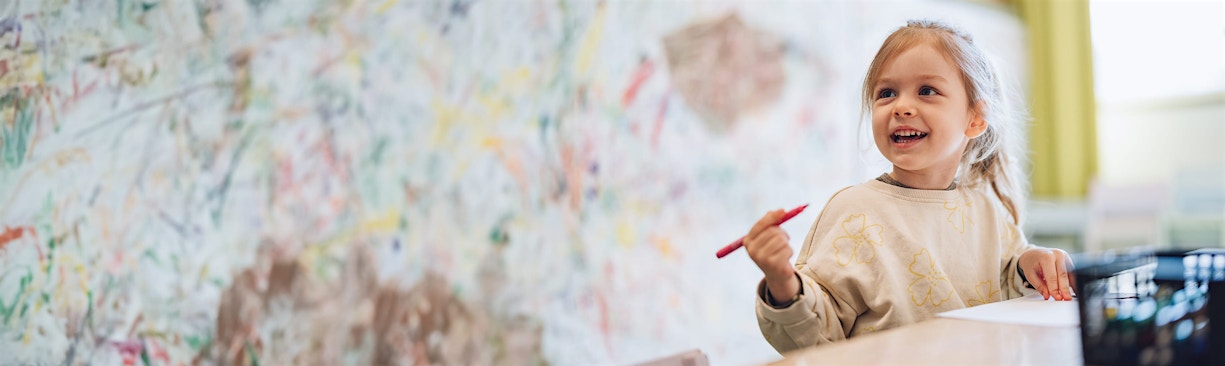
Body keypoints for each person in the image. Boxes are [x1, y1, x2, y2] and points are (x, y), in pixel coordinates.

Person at [742, 20, 1075, 352]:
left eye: (926, 91)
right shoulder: (853, 211)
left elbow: (1009, 276)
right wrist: (783, 282)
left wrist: (1030, 262)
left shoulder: (986, 210)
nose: (901, 106)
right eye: (886, 93)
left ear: (974, 119)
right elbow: (813, 335)